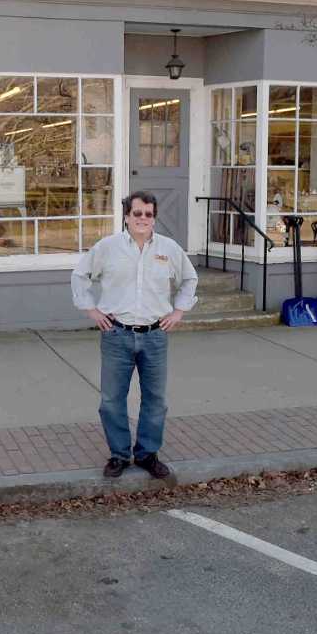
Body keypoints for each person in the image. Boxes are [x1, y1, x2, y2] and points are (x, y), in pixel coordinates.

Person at [71, 191, 197, 480]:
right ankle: (119, 455)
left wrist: (179, 311)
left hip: (155, 336)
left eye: (148, 214)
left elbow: (190, 279)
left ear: (154, 218)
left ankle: (147, 454)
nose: (143, 218)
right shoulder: (107, 248)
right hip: (117, 335)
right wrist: (92, 310)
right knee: (111, 401)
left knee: (155, 400)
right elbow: (80, 276)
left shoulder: (169, 249)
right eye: (137, 213)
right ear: (127, 216)